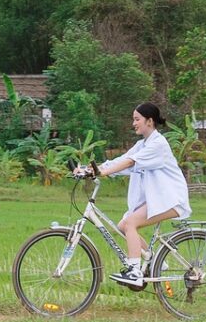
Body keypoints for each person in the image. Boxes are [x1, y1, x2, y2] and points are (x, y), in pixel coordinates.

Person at [79, 101, 190, 288]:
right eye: (133, 120)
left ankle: (135, 271)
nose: (134, 123)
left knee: (131, 223)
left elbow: (130, 162)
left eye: (137, 119)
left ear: (149, 121)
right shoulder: (142, 144)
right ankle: (155, 262)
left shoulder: (158, 144)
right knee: (123, 225)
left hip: (171, 199)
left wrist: (102, 172)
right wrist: (87, 169)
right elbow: (120, 161)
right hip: (158, 199)